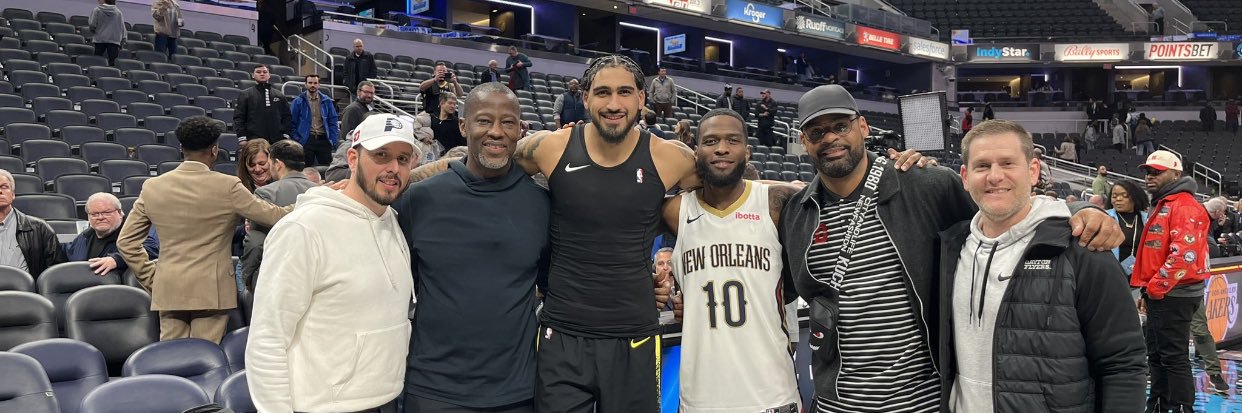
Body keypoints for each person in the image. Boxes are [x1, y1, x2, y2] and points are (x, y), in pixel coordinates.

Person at [778, 87, 1121, 413]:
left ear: (863, 127)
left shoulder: (927, 184)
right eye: (818, 132)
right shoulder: (797, 213)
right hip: (839, 403)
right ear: (804, 141)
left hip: (924, 401)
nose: (831, 138)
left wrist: (1079, 212)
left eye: (841, 126)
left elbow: (1005, 216)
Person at [941, 120, 1145, 413]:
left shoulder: (1082, 247)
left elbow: (1123, 362)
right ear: (964, 176)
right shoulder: (950, 247)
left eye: (1008, 163)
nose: (995, 176)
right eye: (982, 166)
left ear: (1033, 171)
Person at [394, 83, 548, 413]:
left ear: (520, 130)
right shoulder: (419, 200)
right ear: (463, 126)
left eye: (508, 122)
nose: (496, 132)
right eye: (483, 121)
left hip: (517, 392)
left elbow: (555, 288)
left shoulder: (541, 205)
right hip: (432, 389)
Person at [247, 113, 417, 413]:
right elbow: (267, 339)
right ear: (352, 158)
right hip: (323, 405)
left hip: (386, 397)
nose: (393, 168)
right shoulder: (303, 228)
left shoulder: (391, 221)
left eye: (403, 159)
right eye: (381, 155)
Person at [663, 109, 801, 413]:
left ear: (747, 151)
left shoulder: (777, 201)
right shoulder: (676, 211)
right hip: (701, 397)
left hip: (771, 395)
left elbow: (839, 190)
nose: (722, 148)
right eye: (710, 141)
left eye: (732, 140)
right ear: (696, 151)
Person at [117, 116, 290, 342]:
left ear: (181, 148)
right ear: (214, 150)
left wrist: (154, 278)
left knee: (171, 361)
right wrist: (315, 196)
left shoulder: (152, 186)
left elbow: (126, 242)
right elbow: (275, 215)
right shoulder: (228, 186)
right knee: (207, 361)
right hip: (212, 292)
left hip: (170, 289)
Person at [1132, 150, 1211, 413]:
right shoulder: (1165, 202)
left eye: (1157, 172)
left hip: (1175, 293)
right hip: (1163, 292)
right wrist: (1148, 289)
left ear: (1176, 174)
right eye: (1147, 172)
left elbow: (1184, 256)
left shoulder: (1184, 205)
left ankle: (1180, 407)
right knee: (1157, 353)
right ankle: (1159, 403)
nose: (1149, 177)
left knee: (1173, 356)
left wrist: (1155, 287)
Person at [241, 140, 315, 290]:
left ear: (278, 164)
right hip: (314, 272)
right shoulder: (320, 191)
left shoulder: (265, 193)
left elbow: (256, 242)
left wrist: (248, 278)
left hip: (275, 276)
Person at [65, 193, 159, 276]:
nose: (100, 217)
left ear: (120, 213)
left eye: (107, 212)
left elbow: (150, 248)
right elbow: (66, 253)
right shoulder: (84, 237)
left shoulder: (133, 233)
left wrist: (117, 259)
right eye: (94, 214)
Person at [0, 169, 66, 279]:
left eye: (4, 187)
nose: (0, 191)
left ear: (13, 194)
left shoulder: (39, 228)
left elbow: (56, 270)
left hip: (26, 293)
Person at [290, 74, 340, 167]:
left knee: (326, 170)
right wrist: (298, 139)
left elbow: (333, 121)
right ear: (305, 85)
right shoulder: (298, 101)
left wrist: (332, 139)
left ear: (319, 85)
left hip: (323, 140)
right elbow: (292, 123)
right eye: (310, 83)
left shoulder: (327, 101)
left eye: (315, 83)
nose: (313, 85)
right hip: (306, 140)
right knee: (305, 170)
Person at [234, 64, 292, 144]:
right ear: (253, 75)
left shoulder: (279, 95)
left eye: (265, 72)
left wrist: (286, 135)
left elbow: (287, 117)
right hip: (254, 140)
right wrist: (242, 138)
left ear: (269, 75)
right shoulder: (245, 94)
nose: (262, 74)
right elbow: (239, 118)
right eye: (258, 72)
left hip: (277, 140)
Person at [1105, 180, 1149, 277]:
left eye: (1124, 196)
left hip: (1140, 276)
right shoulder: (1104, 216)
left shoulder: (1147, 219)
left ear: (1135, 197)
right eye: (1114, 196)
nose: (1118, 199)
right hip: (1112, 275)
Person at [89, 0, 124, 65]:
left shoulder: (97, 10)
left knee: (97, 61)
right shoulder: (119, 12)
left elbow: (92, 24)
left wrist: (94, 31)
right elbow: (122, 28)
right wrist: (123, 41)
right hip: (114, 40)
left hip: (100, 39)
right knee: (113, 63)